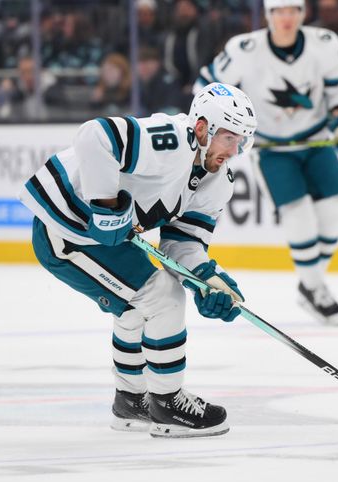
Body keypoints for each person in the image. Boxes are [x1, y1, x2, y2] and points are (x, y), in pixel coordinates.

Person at [18, 82, 258, 437]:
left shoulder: (218, 181)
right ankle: (167, 403)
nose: (235, 149)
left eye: (242, 140)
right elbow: (94, 136)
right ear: (203, 127)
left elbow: (182, 244)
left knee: (135, 309)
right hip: (65, 229)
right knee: (162, 297)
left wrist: (207, 281)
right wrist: (105, 205)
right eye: (229, 137)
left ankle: (130, 401)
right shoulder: (172, 139)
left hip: (97, 239)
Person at [195, 0, 338, 326]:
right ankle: (314, 288)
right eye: (279, 11)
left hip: (316, 140)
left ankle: (310, 286)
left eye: (293, 11)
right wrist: (224, 126)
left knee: (334, 214)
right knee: (298, 217)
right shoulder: (244, 50)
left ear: (302, 13)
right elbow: (206, 87)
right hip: (273, 148)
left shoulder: (323, 45)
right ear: (269, 15)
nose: (286, 18)